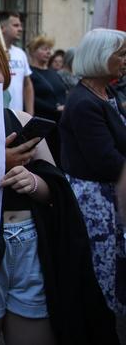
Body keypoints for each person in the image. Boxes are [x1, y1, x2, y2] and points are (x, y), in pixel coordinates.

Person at [0, 28, 117, 345]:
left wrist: (35, 182)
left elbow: (57, 188)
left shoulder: (22, 119)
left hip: (29, 249)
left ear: (6, 73)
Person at [59, 28, 126, 343]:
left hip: (111, 199)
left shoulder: (109, 94)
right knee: (98, 281)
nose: (125, 60)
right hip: (93, 204)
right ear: (101, 56)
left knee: (112, 276)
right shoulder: (84, 102)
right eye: (121, 53)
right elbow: (107, 161)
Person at [27, 35, 66, 164]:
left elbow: (62, 92)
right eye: (44, 49)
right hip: (44, 126)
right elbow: (31, 99)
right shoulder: (30, 73)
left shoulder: (54, 73)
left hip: (60, 125)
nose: (49, 52)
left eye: (50, 49)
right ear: (33, 51)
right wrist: (54, 108)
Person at [0, 12, 34, 114]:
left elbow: (27, 85)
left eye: (20, 25)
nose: (20, 29)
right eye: (16, 25)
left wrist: (30, 114)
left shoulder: (20, 53)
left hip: (18, 115)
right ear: (2, 28)